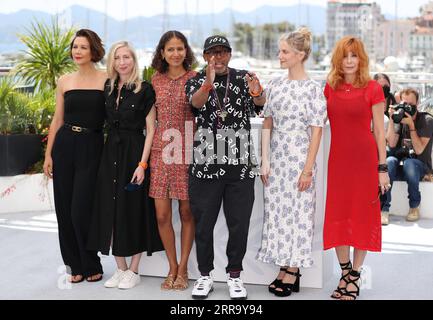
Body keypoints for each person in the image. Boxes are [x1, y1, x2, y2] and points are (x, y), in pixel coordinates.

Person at [185, 35, 265, 300]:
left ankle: (235, 276)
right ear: (205, 55)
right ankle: (205, 275)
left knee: (238, 223)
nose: (217, 58)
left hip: (239, 165)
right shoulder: (196, 78)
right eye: (212, 53)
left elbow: (259, 106)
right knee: (203, 224)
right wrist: (208, 83)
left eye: (222, 53)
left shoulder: (243, 77)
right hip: (205, 163)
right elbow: (195, 104)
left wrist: (257, 91)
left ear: (230, 54)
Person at [87, 41, 164, 289]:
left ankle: (134, 270)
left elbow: (151, 130)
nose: (122, 61)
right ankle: (119, 269)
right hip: (110, 154)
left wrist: (142, 164)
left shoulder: (145, 89)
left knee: (133, 209)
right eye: (118, 57)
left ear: (133, 60)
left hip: (134, 153)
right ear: (112, 61)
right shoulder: (108, 87)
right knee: (109, 208)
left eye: (127, 57)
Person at [257, 28, 327, 297]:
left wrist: (308, 169)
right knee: (278, 215)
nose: (280, 56)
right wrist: (264, 160)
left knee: (299, 214)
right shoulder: (275, 85)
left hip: (299, 158)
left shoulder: (313, 89)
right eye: (279, 51)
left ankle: (293, 269)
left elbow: (317, 130)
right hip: (277, 159)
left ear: (300, 55)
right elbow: (268, 123)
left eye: (285, 51)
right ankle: (285, 266)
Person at [323, 36, 390, 300]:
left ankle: (354, 276)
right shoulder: (329, 87)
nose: (349, 61)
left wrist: (381, 168)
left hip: (364, 161)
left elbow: (380, 132)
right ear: (338, 60)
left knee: (362, 217)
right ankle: (345, 273)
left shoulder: (373, 88)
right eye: (344, 56)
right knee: (338, 216)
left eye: (354, 56)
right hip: (338, 162)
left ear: (361, 59)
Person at [43, 29, 107, 283]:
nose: (77, 51)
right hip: (65, 144)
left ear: (93, 51)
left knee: (82, 208)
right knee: (64, 209)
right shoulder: (64, 80)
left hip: (92, 144)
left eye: (83, 47)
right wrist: (48, 154)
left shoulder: (107, 79)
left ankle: (92, 262)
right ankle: (74, 265)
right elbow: (58, 118)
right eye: (75, 47)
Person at [149, 30, 197, 291]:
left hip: (188, 153)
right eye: (170, 49)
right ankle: (171, 265)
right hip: (160, 153)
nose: (176, 53)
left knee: (187, 212)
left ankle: (184, 268)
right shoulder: (154, 81)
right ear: (162, 53)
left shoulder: (195, 79)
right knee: (162, 215)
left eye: (180, 48)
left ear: (186, 51)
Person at [381, 88, 433, 225]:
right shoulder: (400, 117)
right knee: (390, 161)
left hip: (420, 168)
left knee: (410, 164)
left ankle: (414, 206)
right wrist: (393, 120)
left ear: (418, 103)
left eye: (411, 104)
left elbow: (419, 149)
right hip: (401, 167)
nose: (407, 108)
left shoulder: (426, 120)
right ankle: (384, 209)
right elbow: (391, 144)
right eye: (404, 104)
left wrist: (411, 125)